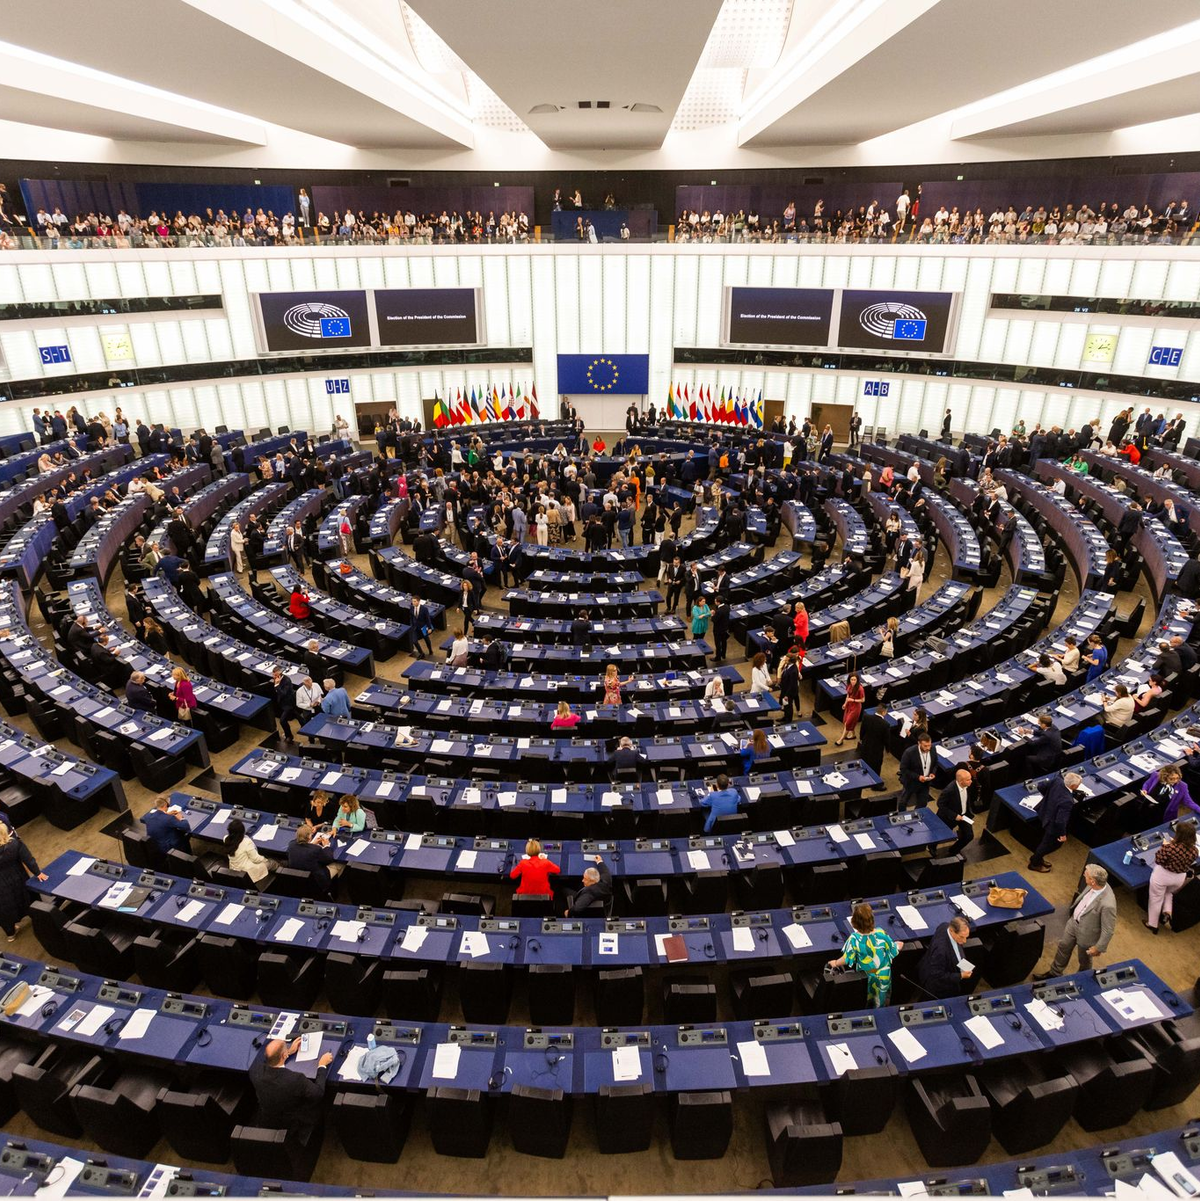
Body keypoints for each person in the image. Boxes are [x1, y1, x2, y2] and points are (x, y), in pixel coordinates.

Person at [1034, 864, 1117, 978]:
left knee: (1084, 959)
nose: (1084, 875)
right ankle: (1054, 973)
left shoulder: (1108, 904)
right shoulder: (1093, 885)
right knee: (1064, 947)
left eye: (1086, 875)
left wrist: (1098, 947)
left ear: (1093, 881)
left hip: (1087, 934)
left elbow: (1108, 930)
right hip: (1073, 923)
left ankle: (1082, 978)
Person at [249, 1038, 333, 1141]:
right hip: (292, 1125)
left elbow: (269, 1061)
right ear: (283, 1056)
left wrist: (288, 1052)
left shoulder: (254, 1071)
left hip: (267, 1118)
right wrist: (322, 1065)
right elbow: (318, 1093)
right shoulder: (295, 1080)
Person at [828, 902, 902, 1007]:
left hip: (868, 982)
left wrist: (835, 963)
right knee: (882, 1005)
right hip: (884, 980)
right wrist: (899, 945)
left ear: (854, 922)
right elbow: (894, 949)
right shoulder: (881, 933)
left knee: (869, 1005)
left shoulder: (855, 939)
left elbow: (847, 958)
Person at [1145, 819, 1197, 932]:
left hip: (1163, 876)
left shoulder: (1169, 848)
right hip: (1179, 878)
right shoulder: (1195, 851)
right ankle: (1168, 911)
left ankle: (1152, 924)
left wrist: (1164, 846)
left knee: (1156, 898)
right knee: (1168, 893)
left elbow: (1158, 860)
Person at [1027, 771, 1082, 872]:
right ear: (1074, 786)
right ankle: (1034, 863)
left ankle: (1038, 858)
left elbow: (1040, 786)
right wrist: (1063, 834)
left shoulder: (1057, 780)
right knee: (1050, 844)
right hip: (1052, 823)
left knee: (1045, 842)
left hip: (1044, 812)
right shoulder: (1067, 800)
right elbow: (1060, 821)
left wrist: (1048, 798)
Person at [0, 824, 46, 941]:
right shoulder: (15, 844)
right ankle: (40, 918)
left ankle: (10, 933)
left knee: (4, 910)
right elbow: (28, 859)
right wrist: (38, 873)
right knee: (28, 898)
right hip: (18, 878)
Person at [916, 916, 974, 997]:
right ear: (951, 931)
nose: (964, 941)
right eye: (961, 937)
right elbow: (938, 975)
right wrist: (960, 976)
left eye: (966, 937)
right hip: (938, 986)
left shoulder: (944, 926)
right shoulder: (941, 951)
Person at [287, 825, 337, 895]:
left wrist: (311, 844)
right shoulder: (316, 849)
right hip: (317, 880)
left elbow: (303, 850)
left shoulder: (291, 845)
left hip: (298, 878)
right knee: (339, 865)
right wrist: (326, 846)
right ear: (309, 837)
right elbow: (328, 859)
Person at [936, 768, 975, 856]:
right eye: (968, 780)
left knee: (969, 836)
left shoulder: (967, 786)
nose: (971, 781)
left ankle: (953, 850)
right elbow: (940, 804)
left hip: (964, 815)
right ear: (961, 781)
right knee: (940, 835)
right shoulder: (949, 790)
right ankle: (932, 848)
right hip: (948, 817)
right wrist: (954, 815)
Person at [224, 817, 270, 885]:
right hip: (247, 872)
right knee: (272, 863)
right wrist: (265, 859)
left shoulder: (226, 839)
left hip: (234, 869)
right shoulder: (246, 842)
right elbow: (256, 859)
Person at [898, 734, 937, 810]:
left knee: (923, 803)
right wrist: (918, 777)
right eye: (925, 746)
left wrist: (933, 772)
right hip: (911, 782)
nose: (928, 748)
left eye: (929, 745)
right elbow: (903, 769)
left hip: (925, 782)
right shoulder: (909, 752)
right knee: (903, 802)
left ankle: (916, 816)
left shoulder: (933, 749)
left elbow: (935, 763)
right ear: (919, 743)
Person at [858, 699, 890, 778]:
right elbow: (886, 738)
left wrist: (862, 739)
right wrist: (888, 748)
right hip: (877, 748)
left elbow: (862, 730)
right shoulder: (885, 724)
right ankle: (875, 783)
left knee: (864, 760)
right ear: (884, 712)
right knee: (876, 765)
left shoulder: (866, 717)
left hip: (866, 743)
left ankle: (862, 777)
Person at [836, 672, 865, 746]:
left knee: (847, 724)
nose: (853, 681)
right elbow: (848, 695)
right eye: (852, 679)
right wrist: (845, 704)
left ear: (857, 680)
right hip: (849, 706)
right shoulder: (849, 685)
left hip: (856, 707)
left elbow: (863, 700)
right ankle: (853, 735)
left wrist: (853, 700)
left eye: (854, 680)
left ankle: (841, 740)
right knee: (847, 721)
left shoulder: (860, 689)